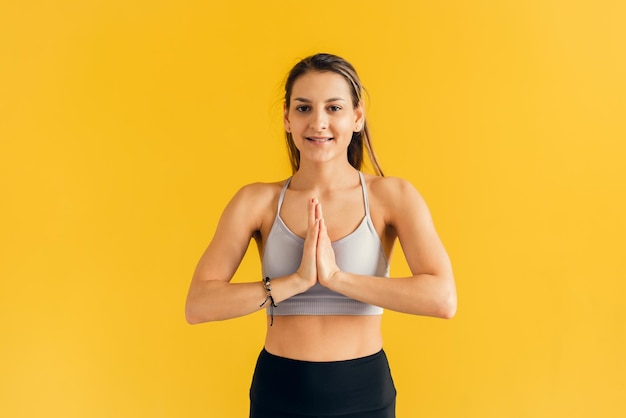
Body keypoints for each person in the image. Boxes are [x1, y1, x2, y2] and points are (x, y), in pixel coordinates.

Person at [185, 53, 457, 418]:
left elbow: (442, 298)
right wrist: (292, 283)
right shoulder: (257, 201)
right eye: (303, 108)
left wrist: (337, 279)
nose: (318, 122)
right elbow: (199, 304)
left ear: (356, 117)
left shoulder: (391, 197)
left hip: (363, 393)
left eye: (333, 108)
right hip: (278, 390)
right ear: (287, 117)